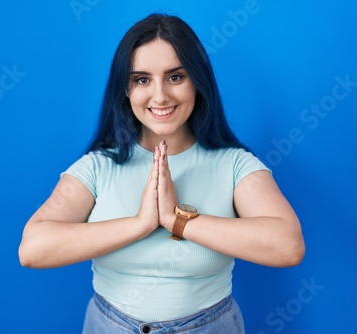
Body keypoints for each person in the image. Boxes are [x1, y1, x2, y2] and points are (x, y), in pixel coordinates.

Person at [18, 13, 305, 334]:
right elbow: (32, 249)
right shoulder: (98, 166)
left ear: (198, 81)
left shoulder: (235, 164)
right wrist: (140, 224)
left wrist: (175, 219)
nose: (159, 96)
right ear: (124, 89)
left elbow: (288, 246)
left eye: (175, 77)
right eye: (142, 79)